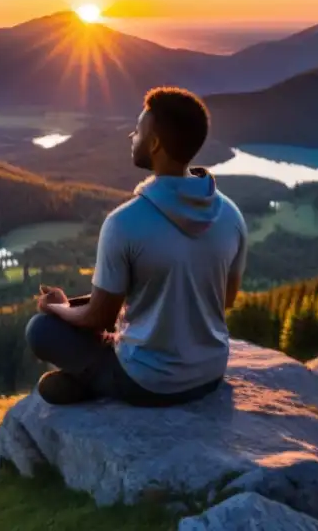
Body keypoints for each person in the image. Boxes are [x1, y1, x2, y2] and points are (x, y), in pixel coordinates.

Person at [24, 86, 248, 406]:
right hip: (210, 374)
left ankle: (92, 382)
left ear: (155, 144)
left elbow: (98, 320)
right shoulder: (232, 216)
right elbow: (223, 300)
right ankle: (91, 379)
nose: (132, 135)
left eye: (139, 130)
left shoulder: (124, 223)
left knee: (41, 330)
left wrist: (56, 306)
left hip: (149, 383)